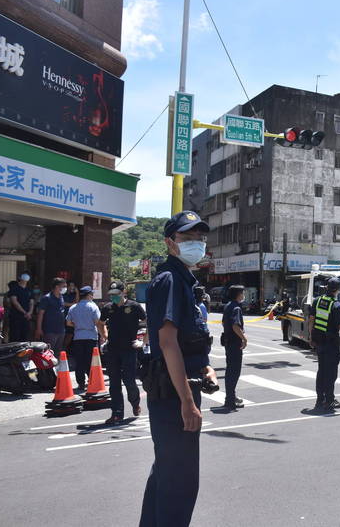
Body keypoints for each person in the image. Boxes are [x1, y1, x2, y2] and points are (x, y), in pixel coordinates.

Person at [140, 210, 217, 527]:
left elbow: (188, 338)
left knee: (166, 474)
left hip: (178, 387)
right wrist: (187, 401)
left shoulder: (184, 280)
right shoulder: (171, 280)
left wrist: (207, 367)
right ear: (170, 243)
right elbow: (168, 342)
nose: (196, 243)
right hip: (174, 394)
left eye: (200, 237)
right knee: (181, 482)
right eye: (187, 238)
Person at [307, 278, 340, 411]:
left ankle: (320, 399)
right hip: (331, 343)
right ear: (338, 289)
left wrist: (311, 336)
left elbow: (311, 320)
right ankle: (329, 400)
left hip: (319, 341)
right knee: (331, 373)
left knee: (321, 371)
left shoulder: (317, 301)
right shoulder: (336, 305)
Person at [101, 281, 146, 425]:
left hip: (129, 350)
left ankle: (135, 403)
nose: (113, 298)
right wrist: (105, 336)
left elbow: (149, 322)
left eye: (116, 295)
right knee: (114, 383)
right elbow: (100, 323)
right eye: (111, 295)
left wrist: (143, 342)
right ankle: (117, 413)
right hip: (113, 350)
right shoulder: (108, 308)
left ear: (123, 292)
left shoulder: (134, 306)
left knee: (129, 381)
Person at [66, 286, 106, 390]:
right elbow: (98, 323)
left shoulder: (73, 307)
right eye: (92, 294)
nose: (92, 296)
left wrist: (78, 326)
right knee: (91, 361)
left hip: (78, 337)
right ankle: (91, 381)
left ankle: (81, 384)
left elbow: (68, 322)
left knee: (79, 361)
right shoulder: (93, 307)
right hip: (91, 337)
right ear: (89, 295)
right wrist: (103, 336)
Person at [222, 285, 247, 410]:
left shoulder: (228, 306)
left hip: (228, 343)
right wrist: (244, 338)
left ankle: (231, 396)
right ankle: (230, 400)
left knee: (230, 371)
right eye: (242, 293)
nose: (243, 295)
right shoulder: (236, 308)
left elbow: (224, 323)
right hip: (234, 344)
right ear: (238, 294)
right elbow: (235, 326)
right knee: (234, 372)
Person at [35, 277, 68, 352]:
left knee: (57, 352)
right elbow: (40, 314)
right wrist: (39, 329)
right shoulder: (47, 298)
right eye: (63, 286)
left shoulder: (61, 297)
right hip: (50, 331)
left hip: (61, 330)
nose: (65, 288)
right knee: (48, 352)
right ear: (57, 287)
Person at [7, 273, 34, 342]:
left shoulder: (29, 290)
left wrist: (30, 313)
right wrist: (25, 312)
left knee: (24, 337)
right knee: (14, 337)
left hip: (26, 318)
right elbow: (14, 301)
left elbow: (31, 302)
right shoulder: (14, 289)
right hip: (16, 317)